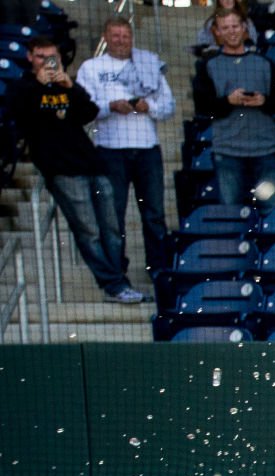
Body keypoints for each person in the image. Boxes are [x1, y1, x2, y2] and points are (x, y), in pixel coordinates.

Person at [8, 38, 141, 303]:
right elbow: (22, 119)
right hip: (60, 169)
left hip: (90, 162)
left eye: (51, 56)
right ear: (30, 58)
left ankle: (119, 281)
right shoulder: (22, 87)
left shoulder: (66, 85)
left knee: (112, 227)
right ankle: (113, 285)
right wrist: (40, 84)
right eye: (40, 56)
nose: (47, 62)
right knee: (88, 230)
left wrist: (70, 86)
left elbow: (88, 112)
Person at [75, 16, 175, 283]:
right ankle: (117, 271)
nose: (121, 40)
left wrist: (148, 107)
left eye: (125, 35)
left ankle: (159, 270)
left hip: (147, 149)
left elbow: (168, 106)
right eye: (115, 35)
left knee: (154, 213)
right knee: (112, 215)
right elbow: (84, 107)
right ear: (106, 38)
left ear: (132, 37)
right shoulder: (91, 67)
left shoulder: (148, 62)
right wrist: (110, 107)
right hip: (110, 150)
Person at [192, 11, 275, 209]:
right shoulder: (208, 66)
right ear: (217, 32)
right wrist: (228, 101)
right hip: (228, 150)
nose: (231, 32)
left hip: (264, 149)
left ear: (244, 28)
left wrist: (264, 101)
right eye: (225, 28)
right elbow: (202, 107)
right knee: (230, 212)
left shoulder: (265, 63)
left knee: (268, 208)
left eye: (235, 26)